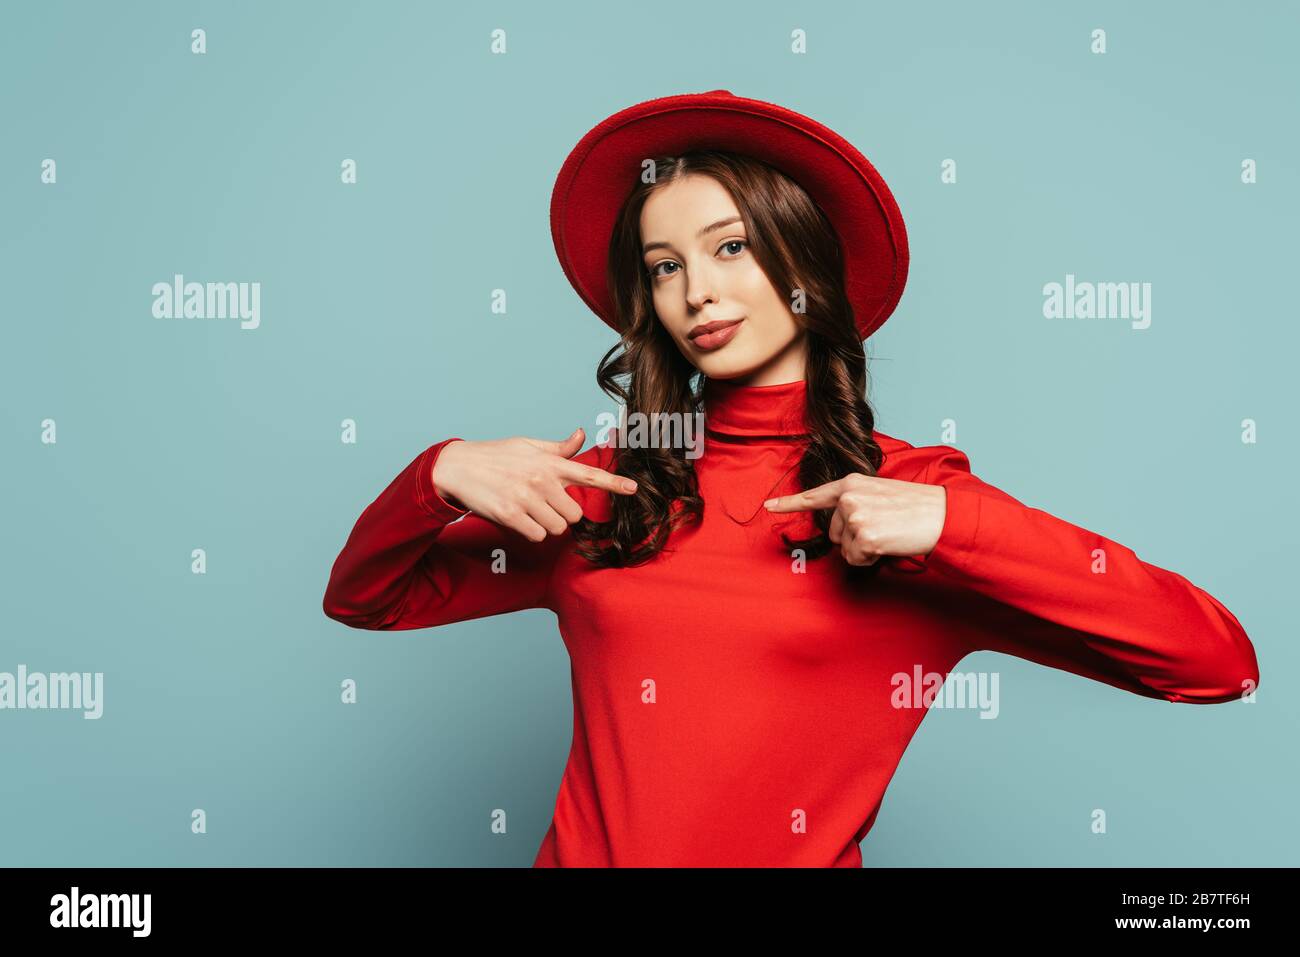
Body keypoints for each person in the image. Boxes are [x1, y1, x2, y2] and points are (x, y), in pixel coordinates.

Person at [322, 91, 1259, 867]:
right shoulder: (609, 492)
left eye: (731, 247)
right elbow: (365, 599)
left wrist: (958, 528)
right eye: (664, 267)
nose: (698, 292)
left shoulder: (915, 504)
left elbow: (1217, 664)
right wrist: (437, 473)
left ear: (805, 260)